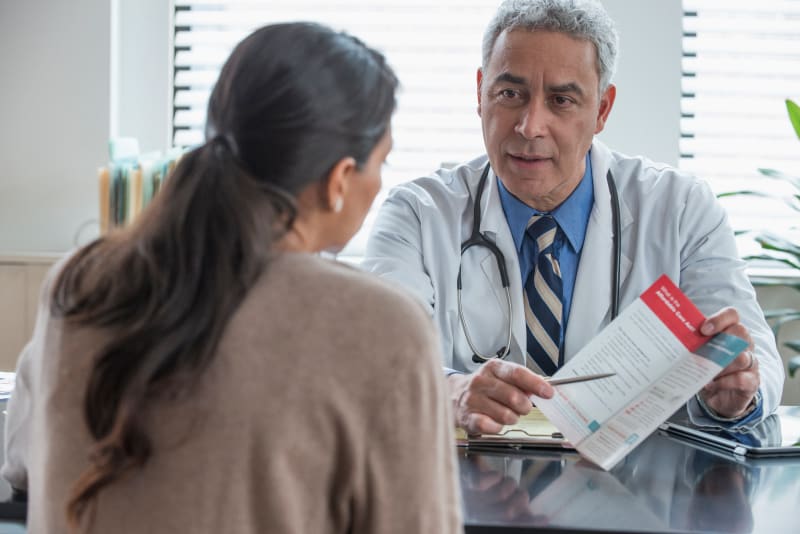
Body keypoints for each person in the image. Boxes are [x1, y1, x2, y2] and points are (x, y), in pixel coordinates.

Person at [2, 22, 462, 534]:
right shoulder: (382, 327)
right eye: (382, 162)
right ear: (339, 180)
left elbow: (21, 463)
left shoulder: (82, 280)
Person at [363, 0, 784, 436]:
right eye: (510, 94)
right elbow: (371, 364)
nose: (530, 126)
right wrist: (450, 392)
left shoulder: (681, 210)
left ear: (602, 110)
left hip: (633, 493)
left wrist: (735, 392)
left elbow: (759, 365)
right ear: (479, 93)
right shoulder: (416, 214)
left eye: (561, 100)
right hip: (471, 489)